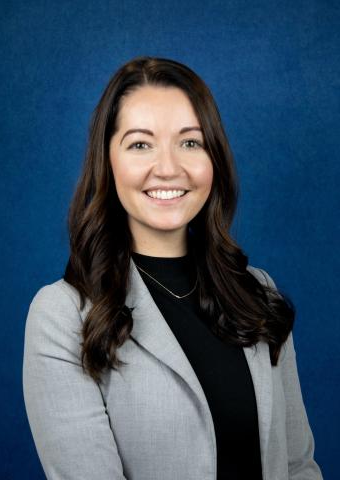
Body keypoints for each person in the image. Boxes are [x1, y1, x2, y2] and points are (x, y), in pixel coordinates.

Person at [22, 56, 323, 480]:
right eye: (140, 144)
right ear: (107, 161)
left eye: (190, 142)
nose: (168, 168)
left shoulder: (257, 293)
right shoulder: (62, 315)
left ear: (213, 158)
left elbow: (297, 466)